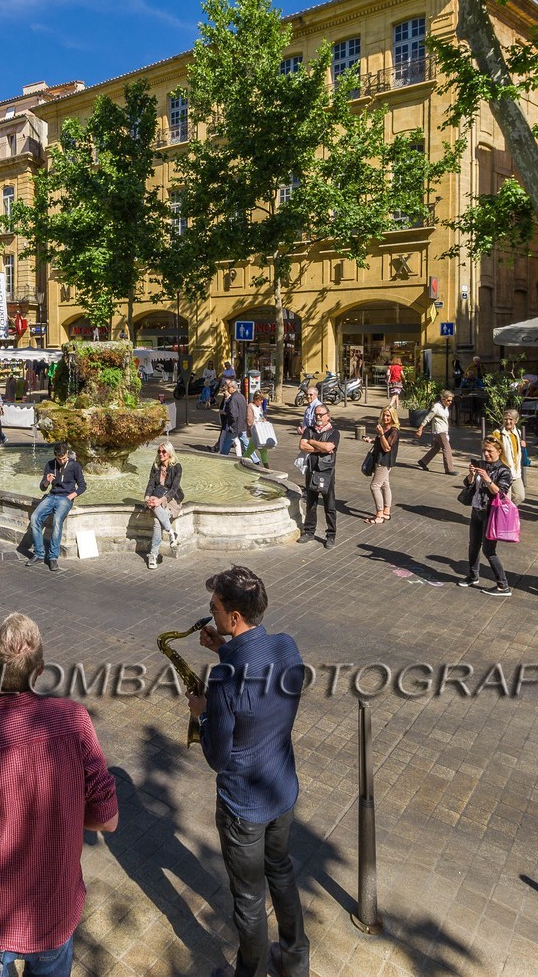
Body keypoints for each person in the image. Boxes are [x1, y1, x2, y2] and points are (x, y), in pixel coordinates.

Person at [0, 613, 119, 976]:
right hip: (55, 914)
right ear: (39, 671)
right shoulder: (75, 720)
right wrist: (65, 815)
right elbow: (109, 820)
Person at [186, 566, 309, 977]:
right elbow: (254, 673)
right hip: (282, 789)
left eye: (215, 607)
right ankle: (294, 959)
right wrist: (223, 648)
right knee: (282, 870)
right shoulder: (287, 647)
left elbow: (217, 758)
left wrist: (202, 715)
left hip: (243, 806)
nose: (211, 612)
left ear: (233, 616)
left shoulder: (223, 681)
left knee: (250, 901)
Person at [457, 437, 513, 596]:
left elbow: (500, 493)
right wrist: (471, 475)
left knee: (489, 550)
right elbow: (469, 484)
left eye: (490, 451)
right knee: (473, 545)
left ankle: (503, 585)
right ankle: (473, 575)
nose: (486, 454)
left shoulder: (504, 470)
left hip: (491, 513)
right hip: (476, 510)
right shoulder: (481, 465)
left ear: (499, 451)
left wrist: (488, 479)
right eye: (484, 450)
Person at [26, 442, 84, 573]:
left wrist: (71, 496)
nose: (62, 460)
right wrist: (47, 481)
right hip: (51, 496)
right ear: (55, 456)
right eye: (59, 459)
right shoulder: (50, 465)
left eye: (63, 458)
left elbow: (82, 486)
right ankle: (39, 554)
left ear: (67, 454)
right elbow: (43, 487)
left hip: (65, 498)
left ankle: (52, 557)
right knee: (35, 517)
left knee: (57, 520)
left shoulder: (75, 466)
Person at [297, 404, 339, 548]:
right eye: (316, 415)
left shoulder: (334, 432)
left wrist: (313, 442)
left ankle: (331, 535)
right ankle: (309, 532)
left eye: (321, 415)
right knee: (311, 503)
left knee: (330, 505)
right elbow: (302, 446)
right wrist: (320, 447)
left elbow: (329, 447)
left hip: (327, 472)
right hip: (312, 469)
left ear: (328, 416)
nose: (318, 417)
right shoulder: (309, 429)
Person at [143, 440, 184, 568]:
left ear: (169, 453)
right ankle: (171, 532)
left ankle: (153, 555)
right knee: (155, 515)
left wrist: (160, 501)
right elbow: (151, 484)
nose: (161, 454)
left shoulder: (177, 467)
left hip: (171, 499)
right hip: (157, 497)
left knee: (156, 521)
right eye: (159, 451)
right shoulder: (155, 466)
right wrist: (147, 497)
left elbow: (174, 488)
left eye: (163, 451)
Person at [362, 408, 399, 524]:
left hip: (384, 461)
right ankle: (386, 512)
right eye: (384, 415)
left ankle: (379, 514)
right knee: (385, 485)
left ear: (393, 417)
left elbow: (387, 447)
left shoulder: (394, 431)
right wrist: (372, 440)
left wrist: (381, 434)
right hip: (379, 459)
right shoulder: (384, 427)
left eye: (388, 416)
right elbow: (381, 442)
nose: (385, 418)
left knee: (374, 486)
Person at [414, 390, 456, 474]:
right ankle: (449, 469)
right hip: (439, 431)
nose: (450, 402)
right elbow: (428, 418)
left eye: (451, 400)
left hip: (444, 430)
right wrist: (420, 428)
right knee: (447, 448)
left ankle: (423, 461)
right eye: (448, 400)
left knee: (437, 447)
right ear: (443, 399)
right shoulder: (436, 407)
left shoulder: (445, 407)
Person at [494, 407, 527, 505]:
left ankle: (507, 511)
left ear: (516, 421)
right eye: (505, 419)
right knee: (505, 499)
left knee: (520, 496)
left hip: (516, 472)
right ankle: (503, 517)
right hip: (504, 472)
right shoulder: (497, 434)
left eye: (511, 419)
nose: (508, 422)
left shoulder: (518, 432)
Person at [219, 379, 249, 456]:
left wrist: (231, 424)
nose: (228, 389)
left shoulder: (233, 398)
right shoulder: (241, 396)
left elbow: (233, 414)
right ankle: (255, 459)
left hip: (234, 426)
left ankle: (223, 456)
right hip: (242, 424)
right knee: (245, 443)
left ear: (233, 388)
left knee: (227, 442)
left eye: (229, 387)